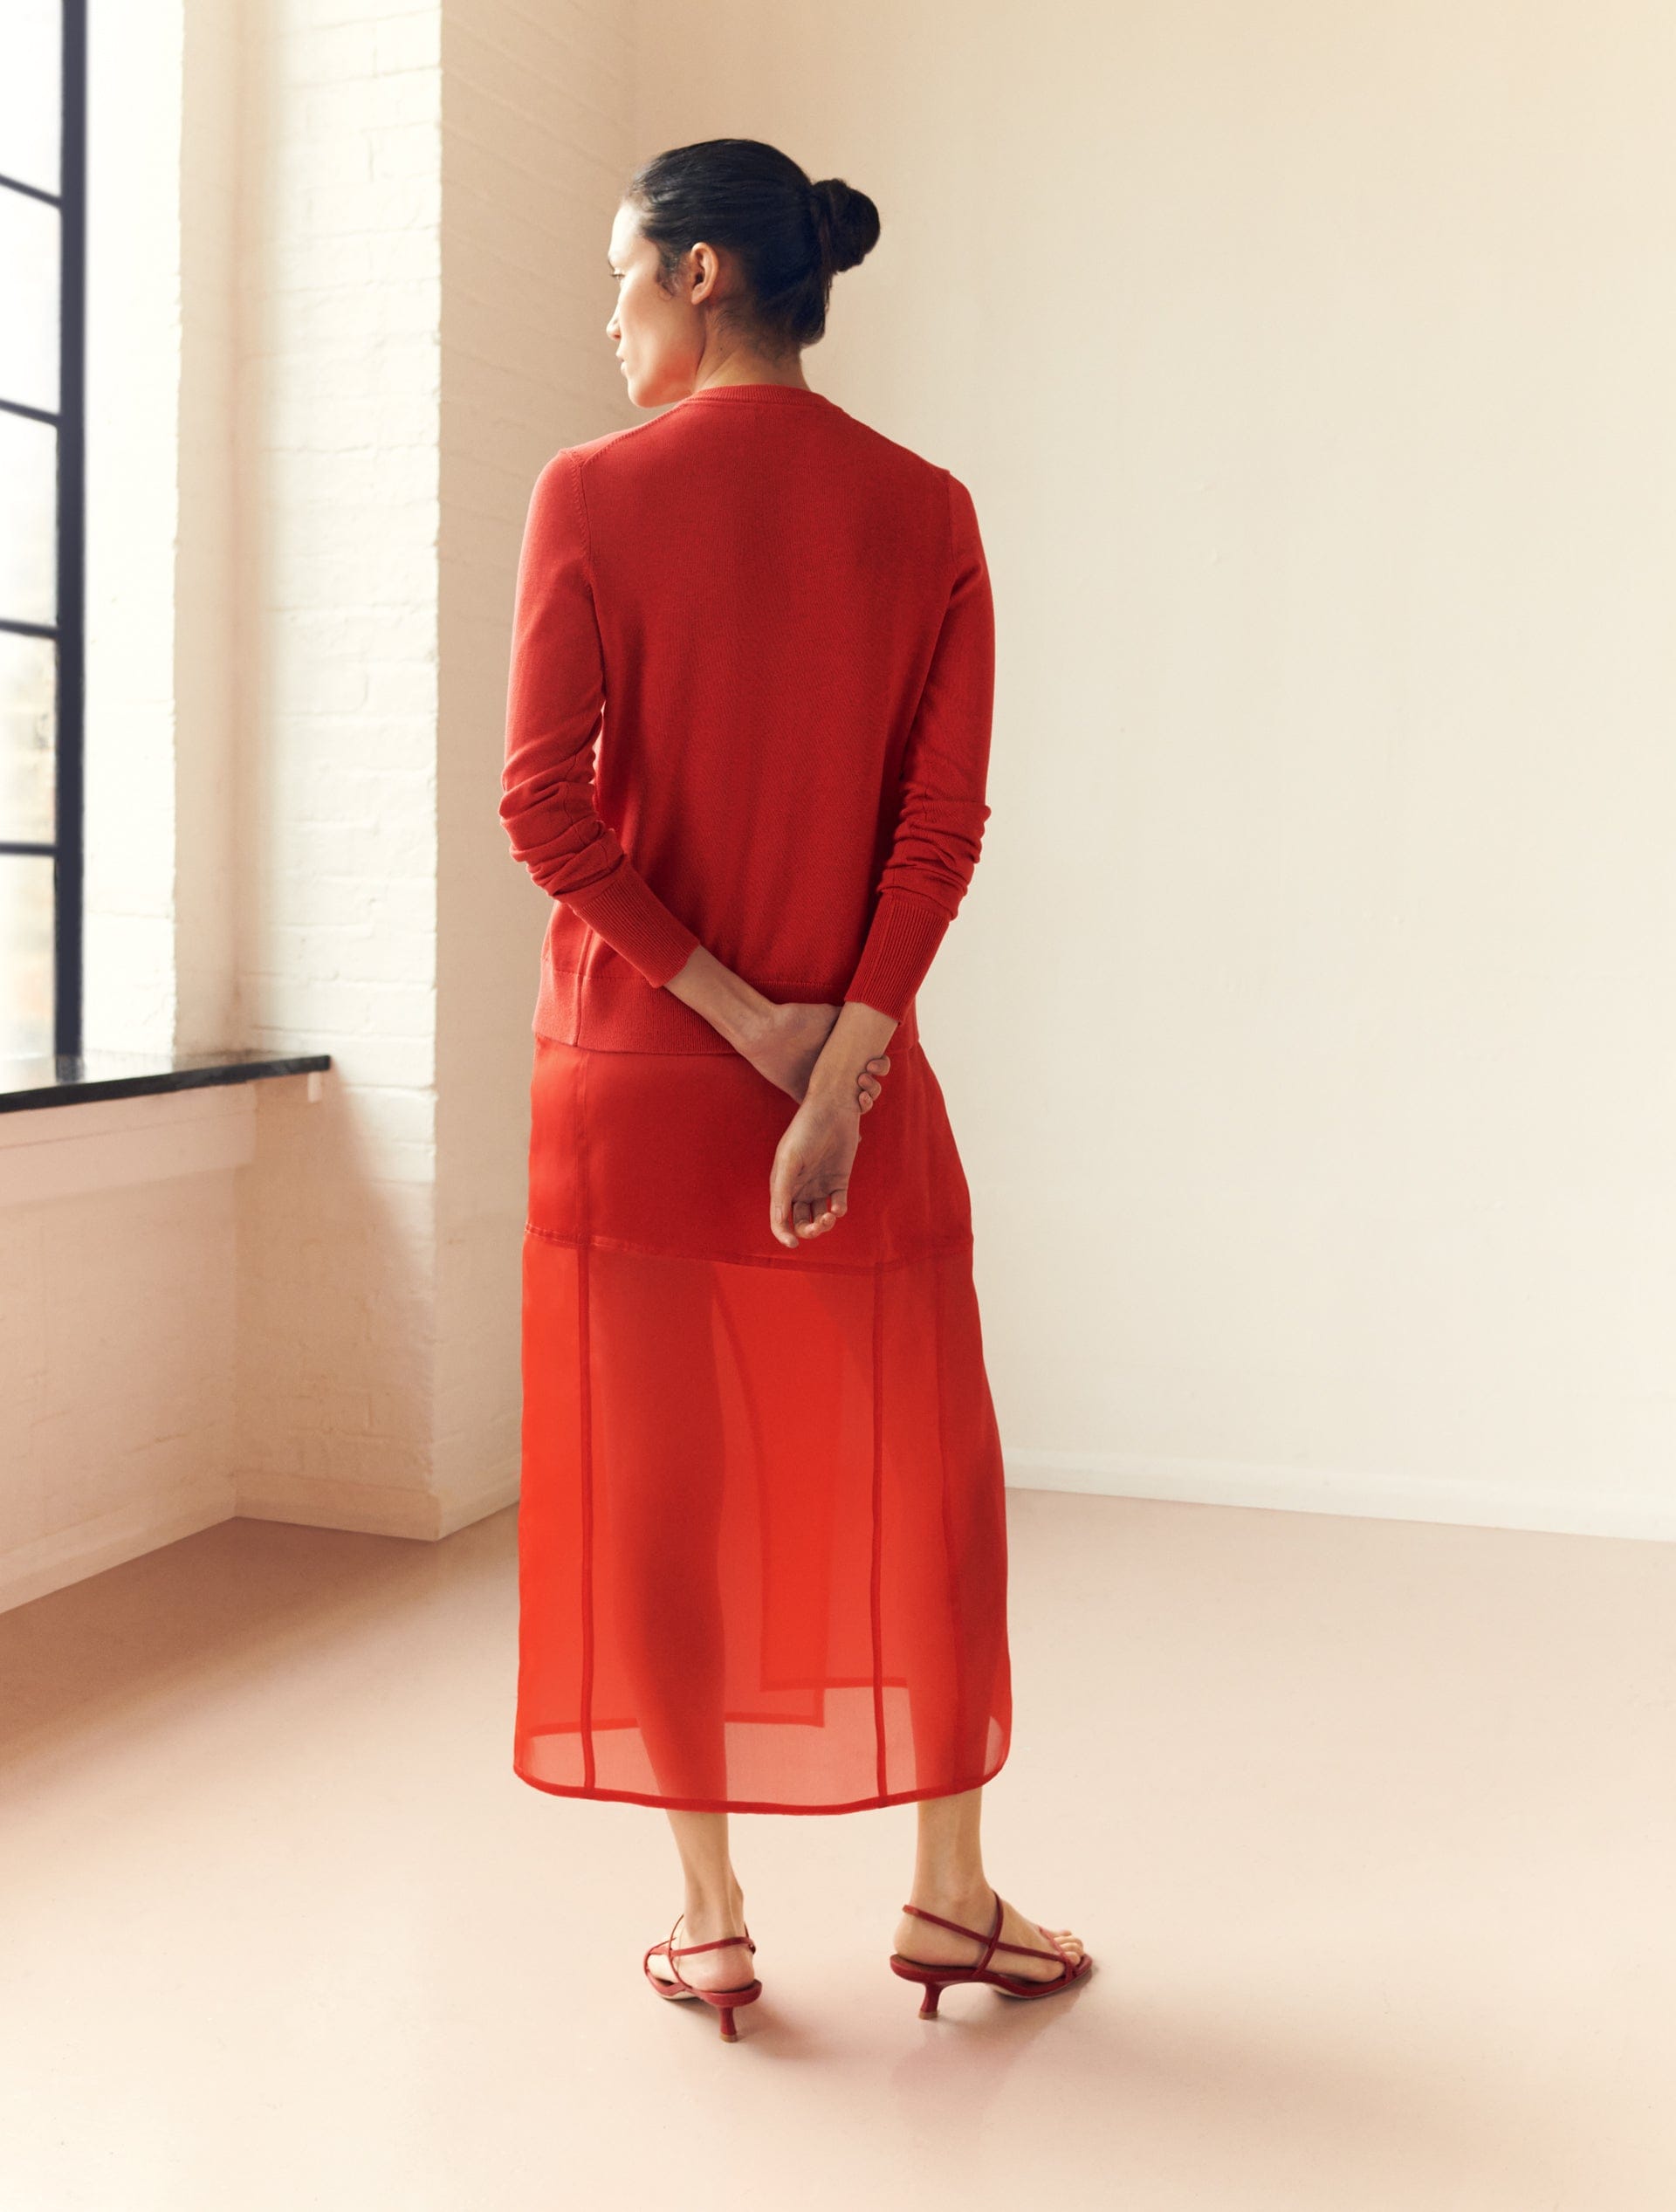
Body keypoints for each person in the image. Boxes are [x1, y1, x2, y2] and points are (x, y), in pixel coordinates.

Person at [498, 137, 1089, 2040]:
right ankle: (946, 1894)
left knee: (661, 1488)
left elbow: (543, 804)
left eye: (616, 280)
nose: (602, 320)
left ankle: (712, 1917)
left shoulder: (588, 491)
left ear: (692, 276)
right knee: (929, 1471)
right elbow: (941, 825)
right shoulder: (927, 511)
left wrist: (741, 1024)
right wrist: (836, 1051)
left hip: (634, 1074)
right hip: (861, 1071)